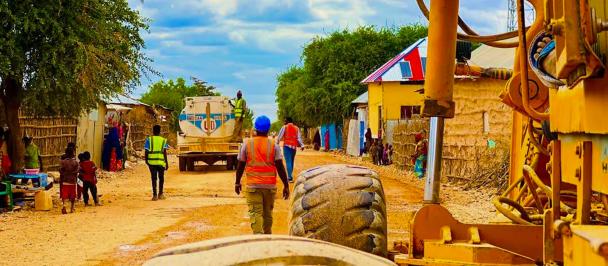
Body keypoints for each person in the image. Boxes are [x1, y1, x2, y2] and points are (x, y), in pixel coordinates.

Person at [235, 115, 290, 234]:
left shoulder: (247, 144)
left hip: (253, 186)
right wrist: (286, 185)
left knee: (256, 213)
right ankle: (267, 237)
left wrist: (237, 182)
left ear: (255, 128)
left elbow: (240, 165)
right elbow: (280, 166)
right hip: (269, 187)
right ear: (268, 129)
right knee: (267, 214)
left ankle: (258, 238)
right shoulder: (273, 145)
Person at [276, 117, 304, 183]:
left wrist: (277, 143)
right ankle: (290, 176)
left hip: (286, 146)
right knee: (291, 161)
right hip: (294, 147)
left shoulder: (284, 127)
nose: (284, 122)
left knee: (288, 162)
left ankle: (289, 178)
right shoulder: (296, 128)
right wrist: (302, 145)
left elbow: (280, 136)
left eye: (285, 121)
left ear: (288, 121)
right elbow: (299, 138)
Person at [145, 125, 169, 201]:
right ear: (160, 131)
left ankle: (154, 195)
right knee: (161, 178)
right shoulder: (163, 140)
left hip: (151, 162)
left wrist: (146, 161)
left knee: (154, 178)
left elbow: (146, 151)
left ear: (153, 131)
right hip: (161, 162)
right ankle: (160, 194)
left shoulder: (149, 139)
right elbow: (164, 152)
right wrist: (166, 162)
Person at [59, 146, 79, 214]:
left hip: (65, 181)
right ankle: (72, 208)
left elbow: (60, 170)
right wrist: (72, 173)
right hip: (73, 181)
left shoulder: (63, 162)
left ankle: (64, 206)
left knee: (64, 195)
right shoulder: (76, 162)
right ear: (73, 153)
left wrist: (65, 173)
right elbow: (77, 171)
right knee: (73, 195)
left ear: (66, 153)